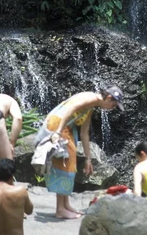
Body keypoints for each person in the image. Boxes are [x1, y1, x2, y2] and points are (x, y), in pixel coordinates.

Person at [40, 86, 124, 219]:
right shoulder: (90, 98)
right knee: (65, 165)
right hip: (59, 126)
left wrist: (88, 159)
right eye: (114, 105)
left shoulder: (91, 106)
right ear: (108, 98)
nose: (112, 108)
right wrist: (58, 132)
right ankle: (60, 209)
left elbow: (84, 133)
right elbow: (70, 110)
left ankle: (66, 205)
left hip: (65, 129)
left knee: (70, 165)